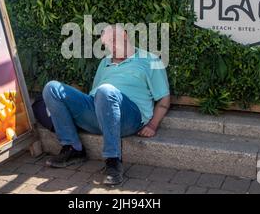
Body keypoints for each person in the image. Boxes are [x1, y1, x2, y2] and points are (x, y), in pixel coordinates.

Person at [42, 25, 170, 185]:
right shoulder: (104, 62)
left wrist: (152, 125)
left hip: (129, 117)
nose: (110, 47)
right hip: (100, 113)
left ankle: (113, 161)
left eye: (112, 41)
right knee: (52, 87)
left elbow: (164, 100)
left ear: (124, 35)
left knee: (106, 91)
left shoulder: (151, 60)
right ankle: (72, 149)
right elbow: (93, 95)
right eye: (106, 44)